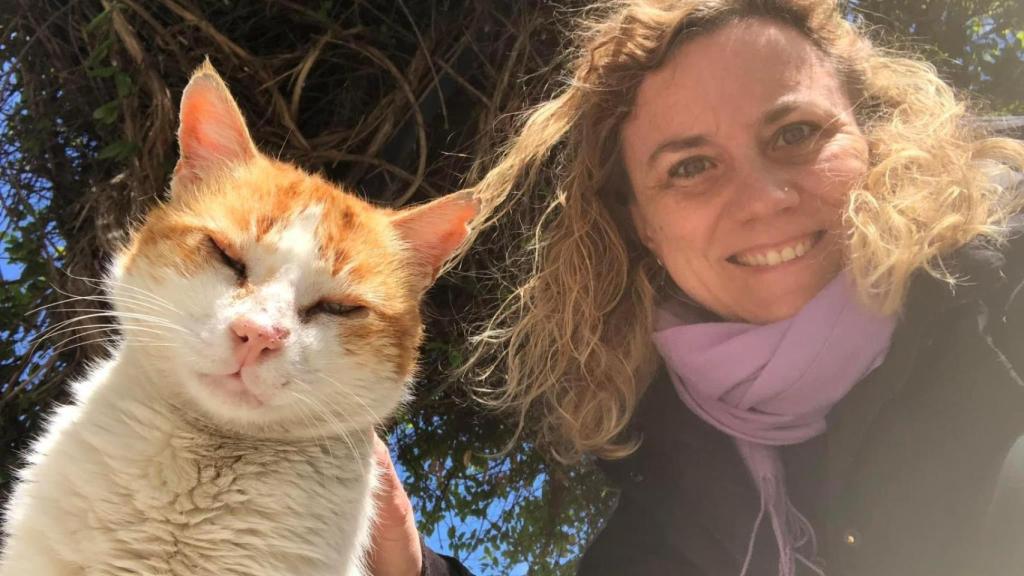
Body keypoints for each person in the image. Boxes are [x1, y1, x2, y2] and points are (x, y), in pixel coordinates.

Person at [368, 1, 1024, 575]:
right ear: (643, 227)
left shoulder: (1005, 301)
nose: (762, 199)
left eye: (796, 134)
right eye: (691, 167)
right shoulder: (667, 496)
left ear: (871, 137)